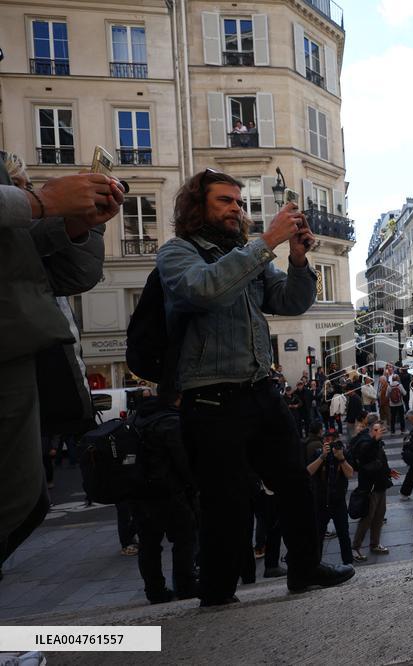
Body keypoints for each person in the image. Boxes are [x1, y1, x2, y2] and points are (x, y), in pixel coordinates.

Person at [157, 169, 353, 606]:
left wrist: (298, 261)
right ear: (197, 207)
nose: (236, 209)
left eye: (239, 203)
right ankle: (218, 590)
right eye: (225, 201)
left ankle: (304, 569)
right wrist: (265, 243)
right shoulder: (178, 253)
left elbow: (290, 302)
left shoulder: (244, 256)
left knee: (296, 483)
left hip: (260, 388)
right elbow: (204, 290)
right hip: (209, 395)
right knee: (225, 502)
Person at [0, 162, 123, 575]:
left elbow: (73, 274)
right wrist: (38, 201)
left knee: (26, 501)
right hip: (18, 336)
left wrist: (76, 224)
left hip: (20, 340)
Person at [130, 389, 198, 603]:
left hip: (139, 491)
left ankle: (155, 591)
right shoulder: (171, 422)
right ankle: (185, 585)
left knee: (149, 544)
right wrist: (194, 485)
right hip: (168, 491)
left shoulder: (138, 418)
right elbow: (183, 460)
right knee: (184, 537)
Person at [351, 421, 399, 559]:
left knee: (379, 516)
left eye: (382, 430)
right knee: (367, 518)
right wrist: (374, 440)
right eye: (378, 430)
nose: (380, 433)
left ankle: (375, 544)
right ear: (372, 430)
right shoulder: (366, 441)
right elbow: (364, 454)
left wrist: (388, 471)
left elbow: (381, 461)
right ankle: (356, 547)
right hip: (370, 488)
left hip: (380, 484)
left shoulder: (377, 442)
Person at [306, 430, 354, 566]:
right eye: (328, 441)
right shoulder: (318, 454)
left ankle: (348, 563)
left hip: (338, 502)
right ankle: (316, 564)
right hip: (321, 502)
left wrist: (341, 458)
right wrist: (322, 456)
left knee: (344, 534)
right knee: (318, 535)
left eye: (334, 441)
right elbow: (309, 471)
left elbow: (350, 474)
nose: (332, 444)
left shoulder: (344, 454)